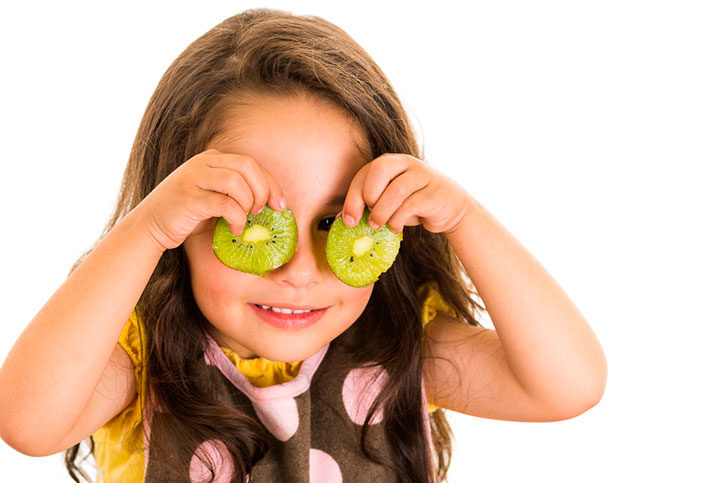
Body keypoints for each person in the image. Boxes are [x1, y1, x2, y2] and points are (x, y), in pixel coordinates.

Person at [0, 8, 607, 483]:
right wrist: (146, 226)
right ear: (182, 228)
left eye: (331, 223)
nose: (298, 271)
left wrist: (464, 218)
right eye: (248, 223)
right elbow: (27, 422)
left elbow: (567, 386)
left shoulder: (400, 350)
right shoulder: (141, 362)